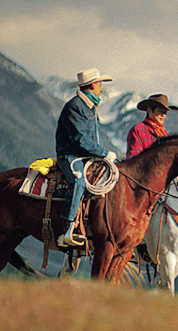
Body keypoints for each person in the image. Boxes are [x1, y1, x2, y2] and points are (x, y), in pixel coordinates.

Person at [55, 67, 117, 247]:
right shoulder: (75, 107)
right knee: (79, 182)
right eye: (99, 85)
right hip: (70, 155)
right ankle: (68, 229)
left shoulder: (90, 106)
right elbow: (79, 139)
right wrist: (104, 153)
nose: (101, 89)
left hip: (85, 157)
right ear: (91, 85)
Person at [126, 94, 178, 158]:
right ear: (149, 110)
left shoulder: (164, 133)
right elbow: (133, 160)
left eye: (165, 112)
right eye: (160, 111)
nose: (164, 115)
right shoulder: (138, 130)